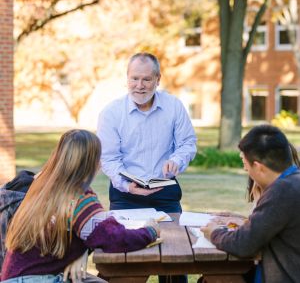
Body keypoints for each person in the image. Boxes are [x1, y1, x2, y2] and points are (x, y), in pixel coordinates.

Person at [1, 129, 159, 282]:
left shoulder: (43, 187)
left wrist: (82, 253)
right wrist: (150, 230)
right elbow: (113, 238)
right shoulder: (78, 199)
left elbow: (89, 230)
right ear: (91, 163)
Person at [97, 52, 197, 213]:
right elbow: (108, 158)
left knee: (175, 238)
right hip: (125, 195)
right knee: (123, 238)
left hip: (165, 193)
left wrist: (177, 160)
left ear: (158, 79)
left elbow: (187, 143)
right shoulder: (111, 113)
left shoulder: (174, 106)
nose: (139, 85)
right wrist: (127, 186)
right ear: (127, 78)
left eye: (146, 79)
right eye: (134, 78)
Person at [201, 125, 300, 283]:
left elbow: (243, 244)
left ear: (259, 167)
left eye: (246, 165)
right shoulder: (293, 181)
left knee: (214, 277)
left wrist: (213, 232)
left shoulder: (282, 191)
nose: (246, 170)